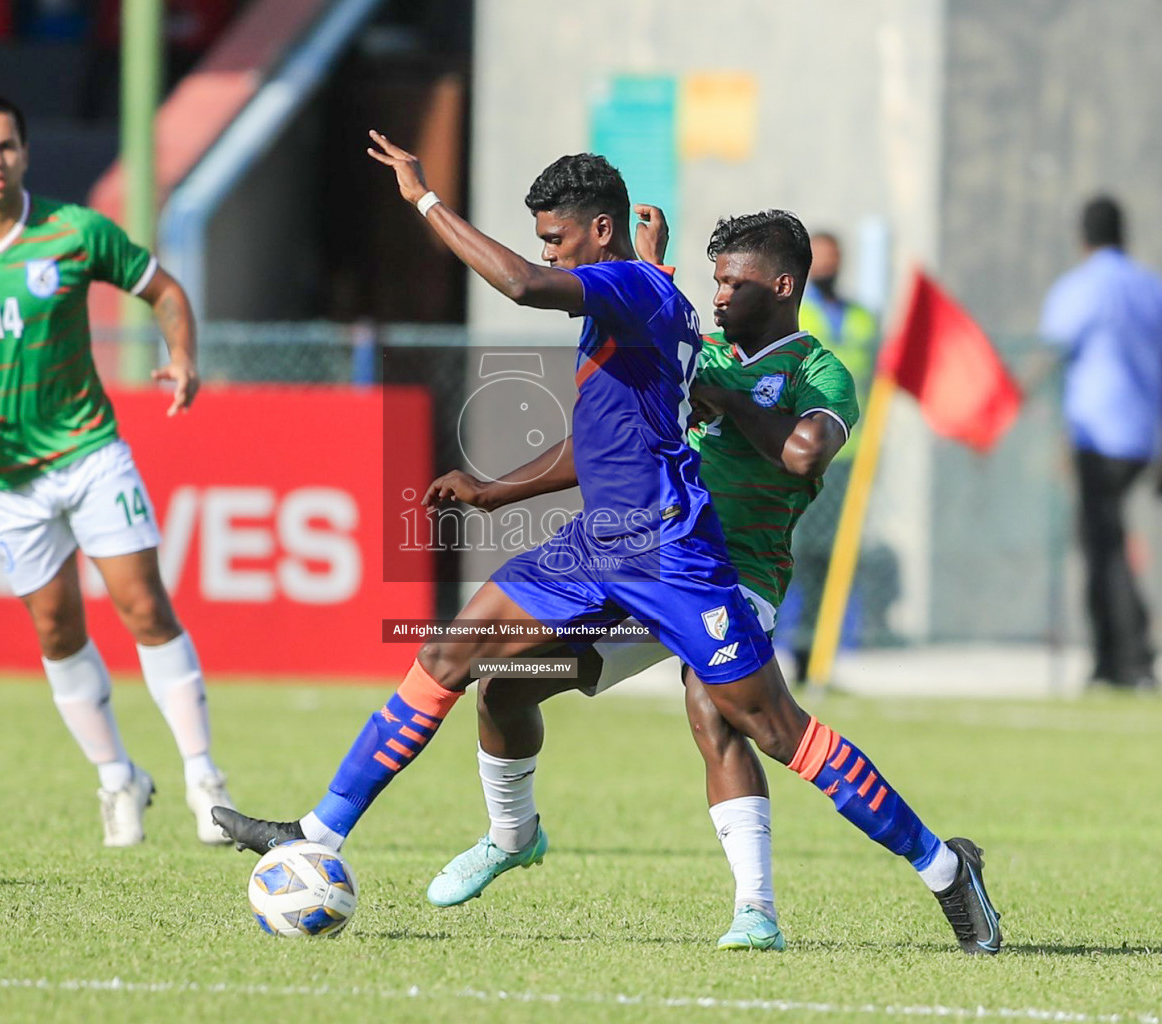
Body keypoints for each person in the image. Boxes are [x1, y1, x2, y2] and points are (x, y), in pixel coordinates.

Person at [215, 134, 1003, 955]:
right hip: (598, 542)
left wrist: (423, 199)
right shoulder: (649, 292)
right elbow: (609, 435)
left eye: (555, 237)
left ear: (598, 231)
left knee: (768, 728)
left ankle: (942, 869)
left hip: (675, 555)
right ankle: (319, 833)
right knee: (461, 661)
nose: (544, 252)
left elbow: (521, 285)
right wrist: (494, 489)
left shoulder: (637, 290)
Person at [415, 204, 859, 953]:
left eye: (733, 283)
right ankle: (511, 834)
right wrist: (495, 490)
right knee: (503, 682)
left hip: (738, 572)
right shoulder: (701, 353)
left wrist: (733, 404)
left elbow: (805, 455)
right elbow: (603, 442)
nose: (717, 296)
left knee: (713, 706)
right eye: (713, 283)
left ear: (782, 286)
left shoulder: (819, 368)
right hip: (646, 563)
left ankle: (757, 911)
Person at [0, 94, 235, 847]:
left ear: (25, 153)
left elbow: (163, 291)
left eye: (6, 146)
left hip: (91, 450)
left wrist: (182, 356)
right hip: (7, 477)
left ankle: (205, 780)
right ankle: (118, 781)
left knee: (142, 605)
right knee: (55, 627)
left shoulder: (75, 231)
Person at [1039, 195, 1162, 691]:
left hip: (1095, 434)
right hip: (1142, 436)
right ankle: (1109, 657)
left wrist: (1010, 402)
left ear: (1082, 237)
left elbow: (1052, 358)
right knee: (1102, 539)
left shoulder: (1078, 289)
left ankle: (1133, 657)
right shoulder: (1156, 289)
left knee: (1105, 544)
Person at [790, 231, 880, 682]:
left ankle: (817, 657)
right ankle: (778, 649)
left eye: (834, 258)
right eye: (820, 259)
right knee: (796, 554)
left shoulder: (864, 318)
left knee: (832, 559)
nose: (829, 266)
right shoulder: (795, 313)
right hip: (801, 455)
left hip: (847, 461)